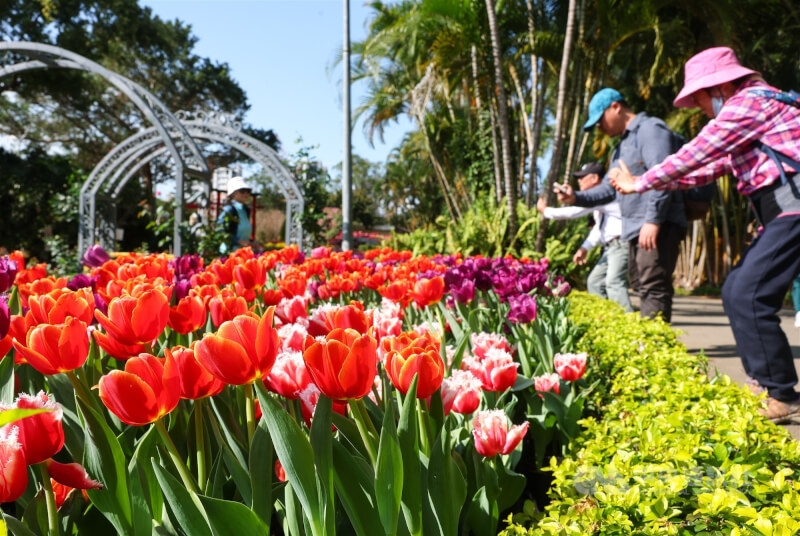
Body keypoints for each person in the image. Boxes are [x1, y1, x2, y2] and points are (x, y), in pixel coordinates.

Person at [609, 47, 800, 422]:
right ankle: (765, 383)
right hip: (781, 211)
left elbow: (696, 153)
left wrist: (639, 182)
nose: (697, 106)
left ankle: (780, 393)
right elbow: (707, 169)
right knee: (735, 290)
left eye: (698, 96)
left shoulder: (748, 104)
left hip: (793, 208)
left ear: (721, 86)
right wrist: (650, 185)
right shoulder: (752, 110)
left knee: (748, 292)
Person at [556, 88, 687, 322]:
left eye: (599, 120)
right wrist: (574, 196)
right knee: (642, 286)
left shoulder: (650, 130)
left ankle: (654, 348)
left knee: (653, 287)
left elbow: (664, 175)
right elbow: (608, 190)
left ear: (616, 107)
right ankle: (648, 343)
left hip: (657, 224)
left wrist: (653, 220)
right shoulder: (621, 147)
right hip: (636, 228)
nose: (599, 128)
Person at [538, 161, 632, 311]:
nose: (579, 181)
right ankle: (606, 318)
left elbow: (574, 211)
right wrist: (585, 247)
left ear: (595, 178)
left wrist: (546, 211)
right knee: (595, 282)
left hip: (620, 244)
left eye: (582, 177)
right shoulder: (598, 202)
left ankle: (629, 323)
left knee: (614, 283)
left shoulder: (605, 195)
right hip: (610, 247)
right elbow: (600, 228)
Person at [217, 176, 255, 253]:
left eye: (248, 191)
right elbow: (219, 231)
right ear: (234, 193)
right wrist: (238, 241)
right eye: (242, 191)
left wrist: (252, 242)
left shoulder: (246, 210)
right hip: (229, 253)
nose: (246, 193)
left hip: (242, 253)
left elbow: (243, 233)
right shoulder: (229, 209)